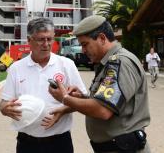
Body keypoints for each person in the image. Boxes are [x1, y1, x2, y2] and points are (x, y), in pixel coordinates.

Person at [48, 15, 151, 153]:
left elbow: (103, 110)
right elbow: (106, 101)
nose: (83, 50)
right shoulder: (107, 63)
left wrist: (65, 99)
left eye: (85, 44)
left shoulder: (120, 62)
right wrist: (81, 98)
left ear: (102, 38)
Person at [0, 17, 86, 153]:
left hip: (59, 143)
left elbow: (82, 99)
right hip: (27, 144)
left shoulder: (66, 64)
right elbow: (4, 103)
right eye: (40, 39)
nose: (46, 44)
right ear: (29, 40)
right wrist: (4, 109)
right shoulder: (16, 68)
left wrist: (63, 110)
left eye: (50, 39)